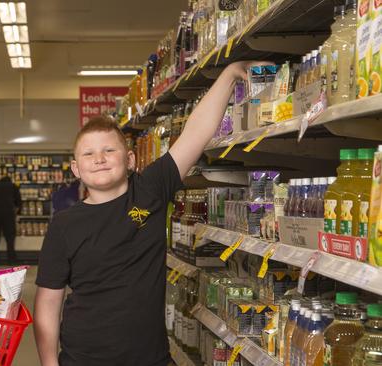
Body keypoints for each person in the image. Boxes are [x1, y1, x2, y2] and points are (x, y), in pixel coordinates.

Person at [33, 61, 266, 366]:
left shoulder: (150, 189)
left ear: (130, 160)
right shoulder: (64, 225)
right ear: (76, 168)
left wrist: (232, 72)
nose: (99, 159)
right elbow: (48, 303)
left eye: (109, 150)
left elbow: (195, 132)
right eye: (88, 153)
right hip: (83, 359)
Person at [0, 175, 21, 264]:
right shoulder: (13, 186)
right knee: (10, 239)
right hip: (8, 214)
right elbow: (18, 203)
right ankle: (12, 260)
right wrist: (15, 212)